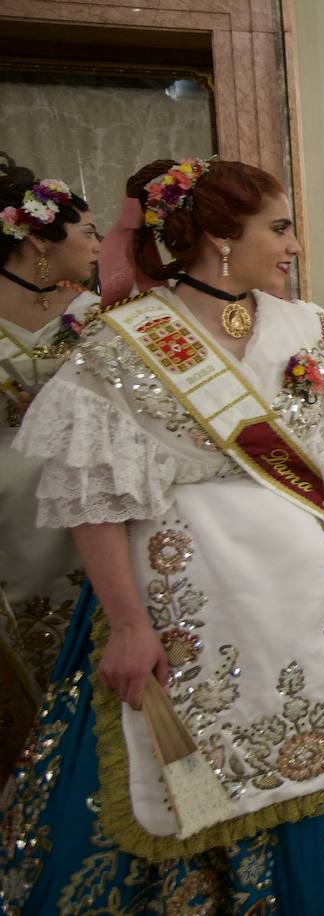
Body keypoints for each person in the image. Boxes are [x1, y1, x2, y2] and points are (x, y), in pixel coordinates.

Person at [3, 158, 324, 912]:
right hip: (191, 608)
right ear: (216, 235)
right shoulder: (126, 343)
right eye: (277, 227)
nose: (294, 244)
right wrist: (128, 625)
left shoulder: (303, 326)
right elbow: (95, 500)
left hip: (319, 591)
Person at [0, 163, 102, 783]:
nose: (97, 245)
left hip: (79, 491)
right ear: (38, 238)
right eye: (86, 232)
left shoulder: (97, 316)